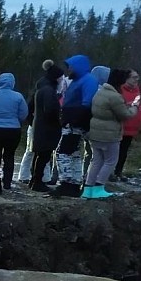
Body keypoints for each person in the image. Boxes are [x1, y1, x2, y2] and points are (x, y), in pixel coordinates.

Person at [82, 69, 138, 199]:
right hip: (109, 135)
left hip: (95, 133)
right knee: (110, 161)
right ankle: (98, 188)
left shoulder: (100, 93)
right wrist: (134, 106)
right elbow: (125, 115)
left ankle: (87, 189)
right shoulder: (115, 96)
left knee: (96, 161)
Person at [51, 55, 100, 197]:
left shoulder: (88, 80)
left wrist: (75, 120)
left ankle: (67, 183)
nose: (69, 70)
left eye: (71, 66)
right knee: (74, 154)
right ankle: (74, 184)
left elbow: (87, 103)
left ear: (78, 66)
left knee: (63, 153)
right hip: (72, 120)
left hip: (75, 121)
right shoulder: (79, 80)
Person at [17, 59, 57, 186]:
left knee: (37, 152)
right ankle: (26, 176)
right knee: (34, 151)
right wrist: (31, 122)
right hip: (36, 125)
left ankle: (42, 177)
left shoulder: (40, 89)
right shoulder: (44, 91)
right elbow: (29, 110)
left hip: (36, 124)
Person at [28, 60, 65, 192]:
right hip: (47, 129)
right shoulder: (49, 91)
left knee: (39, 155)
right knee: (43, 156)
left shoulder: (42, 88)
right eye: (61, 77)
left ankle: (34, 180)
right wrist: (58, 121)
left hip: (40, 127)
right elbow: (50, 110)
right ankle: (37, 182)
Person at [114, 69, 141, 180]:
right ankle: (110, 172)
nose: (137, 79)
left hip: (132, 126)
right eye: (134, 77)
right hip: (120, 125)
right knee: (114, 150)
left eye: (138, 77)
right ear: (126, 78)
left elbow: (137, 105)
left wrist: (140, 113)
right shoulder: (120, 89)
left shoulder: (137, 90)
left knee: (124, 151)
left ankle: (118, 172)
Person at [82, 65, 110, 179]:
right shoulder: (100, 92)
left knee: (89, 153)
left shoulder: (88, 88)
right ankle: (90, 177)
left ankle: (86, 175)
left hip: (88, 125)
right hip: (96, 127)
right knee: (97, 155)